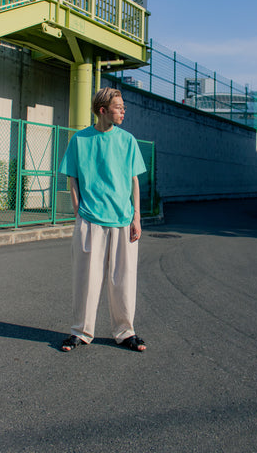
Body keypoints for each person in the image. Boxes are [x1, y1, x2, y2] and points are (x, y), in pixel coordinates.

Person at [59, 87, 147, 352]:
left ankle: (126, 332)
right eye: (119, 107)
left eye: (123, 107)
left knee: (124, 280)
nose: (123, 111)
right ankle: (80, 332)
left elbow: (134, 180)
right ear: (102, 110)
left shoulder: (128, 140)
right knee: (86, 280)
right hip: (90, 220)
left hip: (123, 220)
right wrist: (78, 211)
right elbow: (72, 177)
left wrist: (136, 217)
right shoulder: (80, 140)